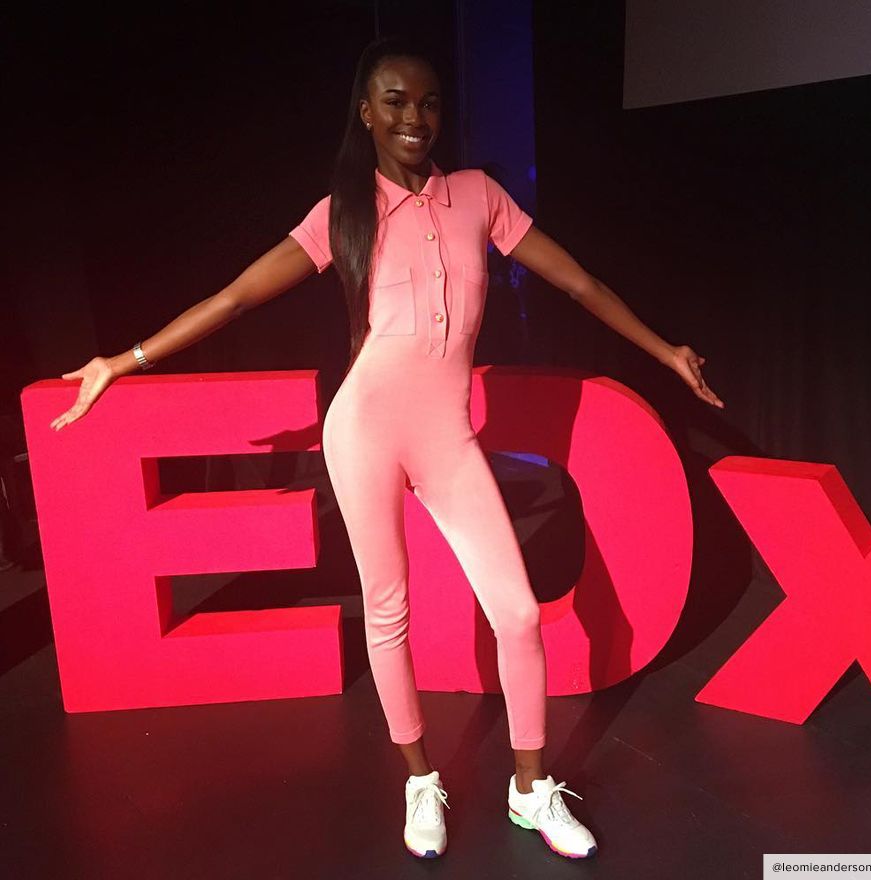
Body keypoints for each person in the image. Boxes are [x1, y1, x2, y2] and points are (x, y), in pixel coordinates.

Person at [49, 34, 723, 862]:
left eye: (430, 102)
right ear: (366, 113)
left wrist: (665, 352)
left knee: (515, 610)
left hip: (446, 435)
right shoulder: (344, 213)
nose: (416, 118)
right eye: (397, 102)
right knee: (388, 610)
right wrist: (122, 361)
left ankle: (528, 788)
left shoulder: (479, 196)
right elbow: (232, 298)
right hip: (364, 429)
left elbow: (577, 282)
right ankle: (419, 779)